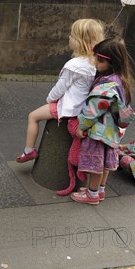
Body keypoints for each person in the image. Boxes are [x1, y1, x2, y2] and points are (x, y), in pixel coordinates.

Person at [16, 19, 105, 162]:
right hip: (86, 109)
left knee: (33, 116)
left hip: (69, 108)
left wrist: (49, 99)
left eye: (72, 35)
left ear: (80, 41)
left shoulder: (73, 65)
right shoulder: (97, 63)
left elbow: (59, 89)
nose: (69, 37)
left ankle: (29, 150)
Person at [71, 37, 135, 205]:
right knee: (105, 164)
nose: (95, 63)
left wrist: (81, 126)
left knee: (96, 165)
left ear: (111, 62)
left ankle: (91, 195)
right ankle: (99, 190)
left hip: (99, 132)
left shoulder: (105, 86)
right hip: (112, 131)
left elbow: (92, 111)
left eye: (99, 60)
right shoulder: (120, 79)